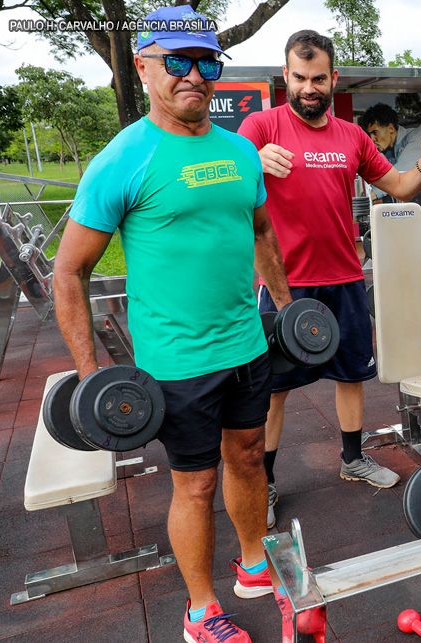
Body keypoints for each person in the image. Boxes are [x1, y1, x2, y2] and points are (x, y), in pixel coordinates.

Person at [52, 7, 299, 641]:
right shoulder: (123, 158)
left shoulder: (241, 153)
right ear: (143, 65)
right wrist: (90, 378)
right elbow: (69, 274)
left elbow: (263, 232)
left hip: (246, 346)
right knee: (194, 485)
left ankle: (252, 565)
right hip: (176, 362)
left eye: (206, 62)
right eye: (177, 62)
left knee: (249, 458)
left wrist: (289, 307)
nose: (194, 75)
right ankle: (200, 612)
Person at [237, 30, 421, 528]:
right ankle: (266, 481)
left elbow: (399, 187)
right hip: (284, 284)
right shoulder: (260, 127)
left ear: (333, 79)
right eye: (299, 78)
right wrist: (249, 161)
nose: (309, 88)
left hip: (344, 277)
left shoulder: (352, 137)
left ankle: (353, 458)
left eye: (318, 79)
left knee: (353, 374)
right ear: (284, 77)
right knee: (274, 388)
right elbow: (223, 177)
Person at [358, 102, 421, 225]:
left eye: (375, 132)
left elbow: (398, 177)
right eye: (369, 135)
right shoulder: (390, 150)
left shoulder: (417, 138)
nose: (372, 139)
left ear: (391, 129)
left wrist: (368, 197)